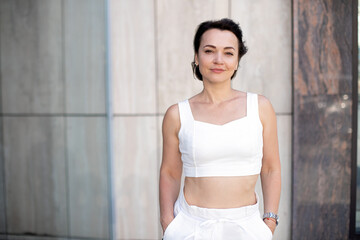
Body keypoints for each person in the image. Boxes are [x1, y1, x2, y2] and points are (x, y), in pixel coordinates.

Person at [159, 18, 281, 240]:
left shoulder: (260, 107)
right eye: (209, 51)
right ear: (197, 57)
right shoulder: (177, 114)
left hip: (248, 228)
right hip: (189, 227)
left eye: (228, 52)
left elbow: (271, 168)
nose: (218, 60)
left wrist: (269, 222)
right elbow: (169, 172)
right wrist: (169, 224)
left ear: (237, 60)